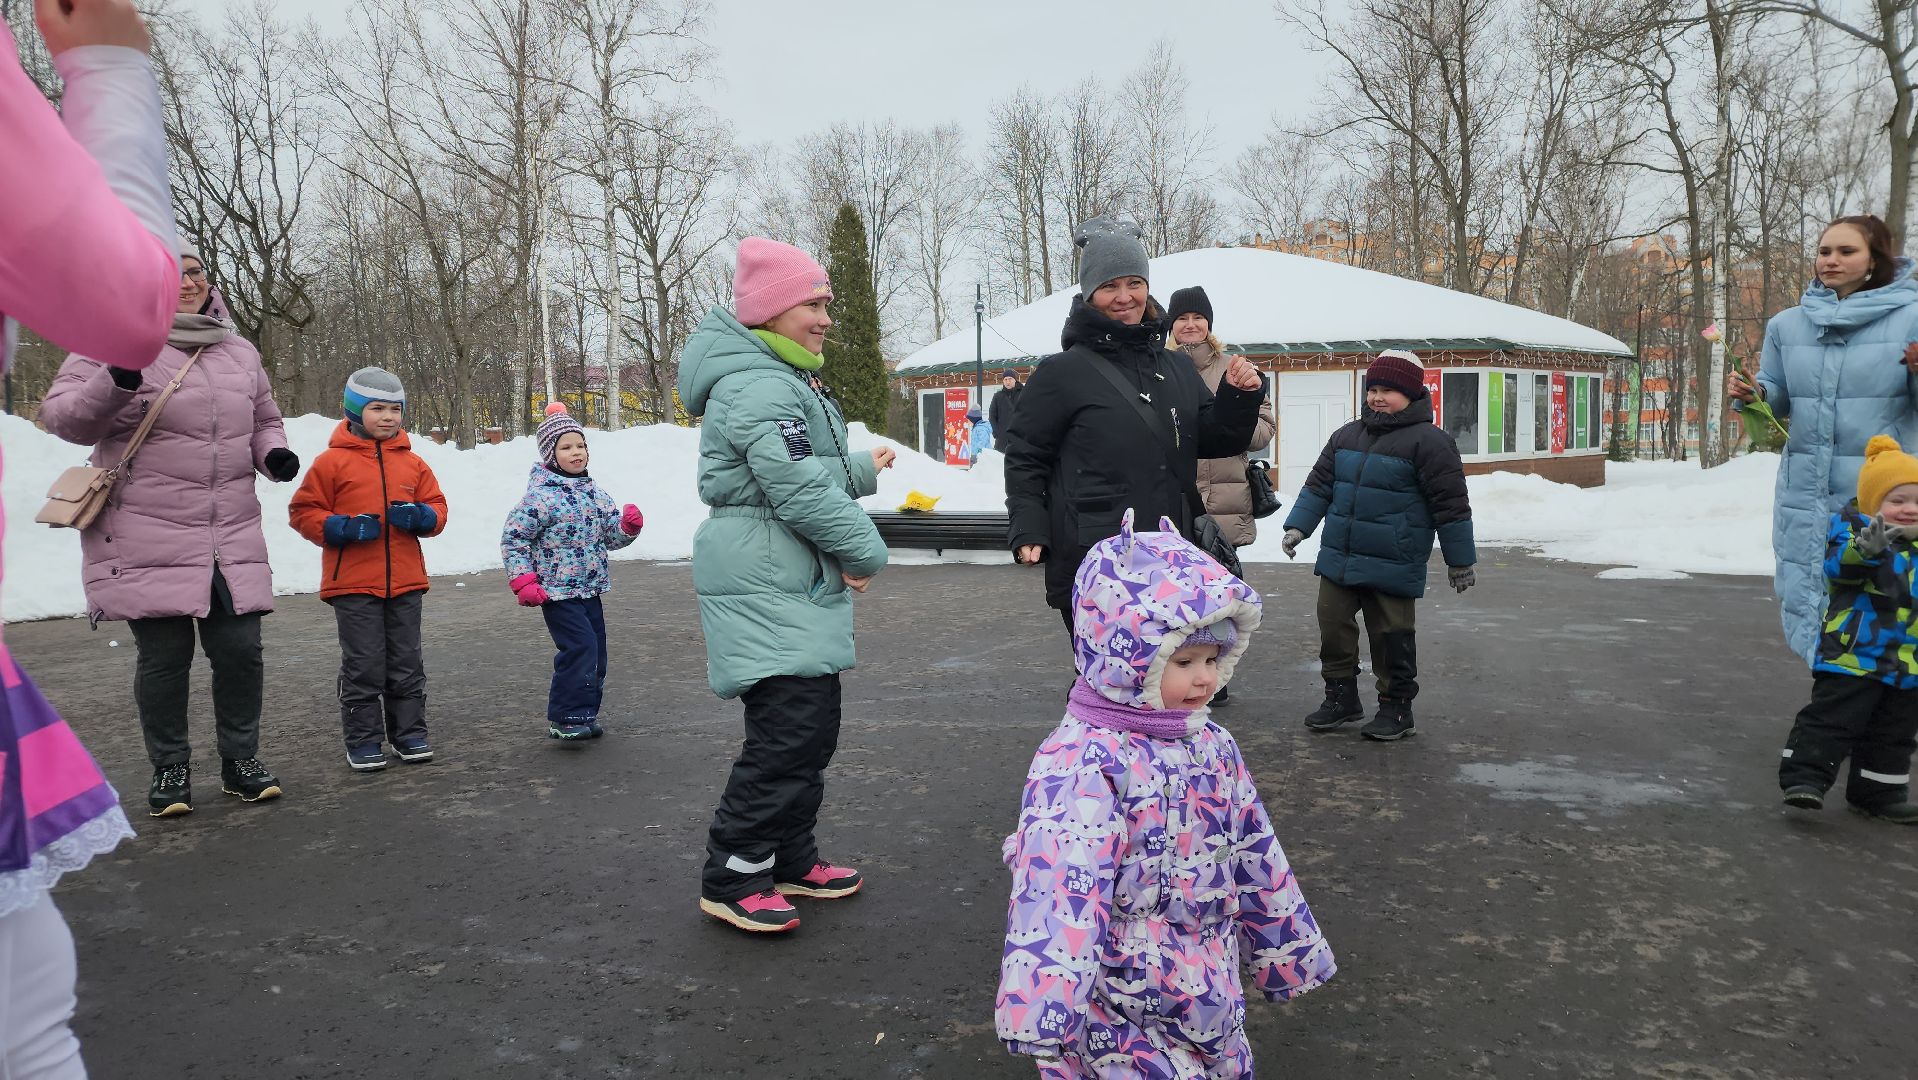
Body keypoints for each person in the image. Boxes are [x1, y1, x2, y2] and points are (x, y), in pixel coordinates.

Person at [996, 510, 1335, 1077]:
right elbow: (1058, 888)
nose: (1205, 679)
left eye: (1212, 659)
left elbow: (1255, 852)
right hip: (1116, 995)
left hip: (1210, 984)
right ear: (1124, 655)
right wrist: (1043, 1010)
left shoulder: (1212, 744)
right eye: (1183, 662)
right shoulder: (1084, 761)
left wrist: (1288, 952)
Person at [1, 0, 178, 1073]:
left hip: (212, 547)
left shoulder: (238, 358)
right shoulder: (92, 358)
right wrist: (108, 61)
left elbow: (256, 438)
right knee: (26, 1020)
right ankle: (173, 775)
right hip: (137, 542)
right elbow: (118, 308)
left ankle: (227, 762)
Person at [677, 237, 894, 933]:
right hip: (767, 578)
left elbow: (788, 467)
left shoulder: (779, 376)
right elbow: (796, 487)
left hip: (785, 574)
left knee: (811, 730)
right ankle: (734, 871)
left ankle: (790, 856)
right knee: (787, 735)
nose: (827, 316)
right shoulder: (761, 383)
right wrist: (864, 551)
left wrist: (858, 468)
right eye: (814, 303)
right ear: (770, 311)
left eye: (827, 301)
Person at [40, 246, 296, 816]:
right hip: (144, 529)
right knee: (164, 660)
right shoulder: (113, 342)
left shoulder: (238, 351)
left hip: (227, 532)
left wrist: (273, 453)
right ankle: (171, 768)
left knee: (241, 653)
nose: (186, 282)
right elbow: (64, 419)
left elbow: (263, 418)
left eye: (196, 272)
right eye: (170, 275)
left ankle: (240, 760)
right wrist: (118, 378)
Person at [1004, 217, 1264, 638]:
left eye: (1134, 283)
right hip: (1096, 553)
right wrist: (1029, 527)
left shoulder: (1175, 365)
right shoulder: (1061, 373)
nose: (1125, 297)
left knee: (1169, 682)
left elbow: (1217, 438)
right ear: (1089, 294)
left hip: (1171, 553)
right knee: (1110, 682)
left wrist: (1239, 396)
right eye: (1109, 287)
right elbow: (1026, 456)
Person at [1729, 214, 1918, 665]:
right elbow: (1777, 398)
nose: (1830, 260)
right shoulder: (1787, 326)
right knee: (1812, 600)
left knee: (1886, 614)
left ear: (1875, 259)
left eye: (1846, 251)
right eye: (1824, 251)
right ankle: (1832, 718)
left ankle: (1859, 727)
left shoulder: (1912, 318)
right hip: (1805, 491)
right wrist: (1755, 393)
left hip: (1882, 494)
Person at [1280, 350, 1475, 741]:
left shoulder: (1431, 443)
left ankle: (1396, 707)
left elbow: (1451, 506)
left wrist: (1460, 561)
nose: (1378, 397)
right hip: (1340, 555)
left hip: (1394, 559)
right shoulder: (1346, 436)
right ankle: (1341, 697)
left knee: (1391, 636)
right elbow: (1319, 486)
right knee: (1332, 625)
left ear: (1412, 394)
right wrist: (1298, 526)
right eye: (1373, 389)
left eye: (1389, 390)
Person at [288, 368, 449, 772]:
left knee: (406, 661)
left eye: (395, 409)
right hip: (354, 583)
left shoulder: (413, 463)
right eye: (377, 408)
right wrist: (337, 527)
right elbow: (303, 511)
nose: (388, 417)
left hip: (406, 581)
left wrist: (422, 517)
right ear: (355, 410)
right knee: (364, 662)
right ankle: (363, 739)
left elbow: (439, 508)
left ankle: (409, 733)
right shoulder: (331, 463)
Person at [1778, 435, 1918, 823]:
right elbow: (1837, 568)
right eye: (1898, 500)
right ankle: (1804, 778)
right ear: (1874, 503)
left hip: (1907, 664)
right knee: (1833, 720)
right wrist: (1864, 551)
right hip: (1853, 655)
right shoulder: (1852, 531)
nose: (1909, 509)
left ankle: (1879, 793)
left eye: (1917, 501)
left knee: (1894, 733)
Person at [500, 402, 644, 741]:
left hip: (589, 589)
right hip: (556, 592)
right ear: (551, 454)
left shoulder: (594, 492)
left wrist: (627, 527)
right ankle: (565, 716)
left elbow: (610, 536)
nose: (576, 452)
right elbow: (514, 538)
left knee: (597, 653)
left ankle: (585, 713)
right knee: (580, 648)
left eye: (580, 445)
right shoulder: (540, 499)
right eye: (566, 447)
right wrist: (524, 581)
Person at [1169, 284, 1275, 705]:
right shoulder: (1161, 369)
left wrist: (1230, 423)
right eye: (1183, 319)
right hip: (1179, 495)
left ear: (1209, 325)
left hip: (1228, 499)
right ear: (1171, 326)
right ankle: (1180, 671)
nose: (1191, 325)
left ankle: (1216, 673)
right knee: (1178, 590)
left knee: (1220, 592)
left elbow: (1265, 428)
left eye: (1198, 318)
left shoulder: (1236, 366)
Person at [989, 368, 1022, 452]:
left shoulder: (1024, 393)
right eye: (1005, 379)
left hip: (1020, 438)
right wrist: (997, 433)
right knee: (1001, 463)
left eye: (1010, 379)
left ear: (1015, 380)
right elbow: (992, 416)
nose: (1008, 382)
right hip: (1002, 440)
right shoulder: (997, 396)